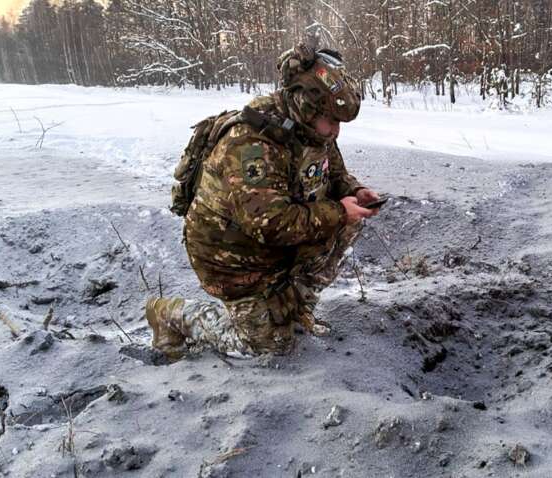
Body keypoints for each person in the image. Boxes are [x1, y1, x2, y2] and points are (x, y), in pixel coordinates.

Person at [144, 42, 380, 360]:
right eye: (332, 121)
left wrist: (354, 191)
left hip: (271, 250)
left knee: (347, 223)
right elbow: (269, 224)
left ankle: (292, 312)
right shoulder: (250, 142)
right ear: (306, 108)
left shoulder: (312, 132)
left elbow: (331, 174)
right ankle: (170, 314)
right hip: (232, 261)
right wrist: (338, 211)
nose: (336, 132)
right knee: (267, 347)